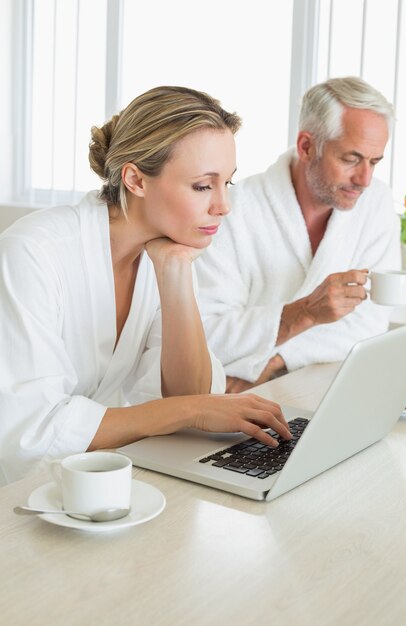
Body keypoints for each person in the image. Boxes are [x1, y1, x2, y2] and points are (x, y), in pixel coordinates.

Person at [0, 86, 292, 484]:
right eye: (203, 186)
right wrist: (191, 411)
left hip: (84, 478)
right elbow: (32, 431)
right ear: (136, 179)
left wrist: (175, 275)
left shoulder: (164, 251)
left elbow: (188, 391)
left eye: (228, 183)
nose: (224, 205)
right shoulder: (33, 252)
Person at [195, 76, 401, 393]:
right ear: (307, 146)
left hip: (319, 386)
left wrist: (274, 360)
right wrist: (304, 314)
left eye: (375, 161)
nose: (365, 179)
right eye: (351, 158)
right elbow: (207, 335)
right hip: (233, 398)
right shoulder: (233, 210)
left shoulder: (376, 204)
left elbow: (369, 325)